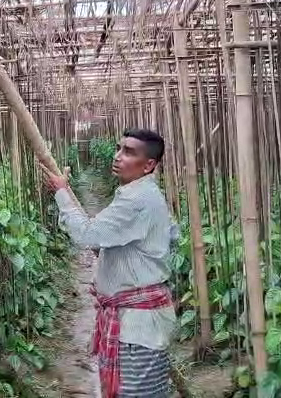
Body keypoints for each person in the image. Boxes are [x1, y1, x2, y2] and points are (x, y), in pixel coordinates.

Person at [42, 128, 178, 398]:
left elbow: (86, 235)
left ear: (149, 165)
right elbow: (171, 232)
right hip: (135, 322)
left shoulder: (137, 199)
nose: (117, 156)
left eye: (129, 152)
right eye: (118, 148)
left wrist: (62, 193)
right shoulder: (140, 194)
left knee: (136, 393)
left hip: (137, 328)